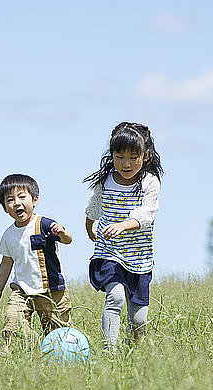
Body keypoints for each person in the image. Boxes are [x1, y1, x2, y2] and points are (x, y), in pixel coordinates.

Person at [84, 122, 163, 352]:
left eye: (132, 157)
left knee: (138, 320)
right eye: (119, 157)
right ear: (112, 155)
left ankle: (131, 353)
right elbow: (95, 205)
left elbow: (147, 214)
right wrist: (90, 227)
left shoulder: (149, 182)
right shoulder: (106, 180)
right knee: (115, 298)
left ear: (145, 156)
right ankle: (109, 352)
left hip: (139, 258)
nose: (125, 164)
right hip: (109, 253)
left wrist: (122, 226)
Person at [0, 174, 73, 351]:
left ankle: (57, 359)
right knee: (12, 323)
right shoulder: (8, 235)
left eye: (22, 197)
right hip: (22, 290)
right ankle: (19, 352)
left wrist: (63, 234)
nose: (16, 203)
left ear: (35, 200)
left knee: (58, 334)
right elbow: (6, 263)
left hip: (51, 290)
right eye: (10, 200)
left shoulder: (44, 224)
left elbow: (68, 239)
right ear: (5, 208)